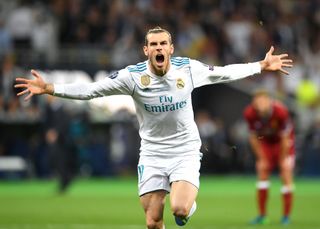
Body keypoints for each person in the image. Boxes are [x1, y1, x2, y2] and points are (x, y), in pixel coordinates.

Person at [15, 26, 292, 229]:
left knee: (180, 210)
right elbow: (91, 90)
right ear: (146, 50)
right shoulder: (132, 77)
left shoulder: (188, 69)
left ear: (171, 48)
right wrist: (50, 88)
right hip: (152, 154)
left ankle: (187, 208)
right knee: (152, 222)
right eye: (153, 44)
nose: (159, 48)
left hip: (184, 150)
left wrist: (260, 66)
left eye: (163, 44)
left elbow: (223, 72)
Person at [243, 90, 295, 225]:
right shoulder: (249, 113)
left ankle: (286, 216)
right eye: (256, 102)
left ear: (269, 101)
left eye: (262, 101)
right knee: (262, 170)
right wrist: (261, 158)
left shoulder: (281, 111)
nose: (259, 105)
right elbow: (253, 137)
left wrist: (283, 159)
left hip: (283, 144)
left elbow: (285, 137)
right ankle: (262, 215)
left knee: (285, 172)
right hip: (265, 143)